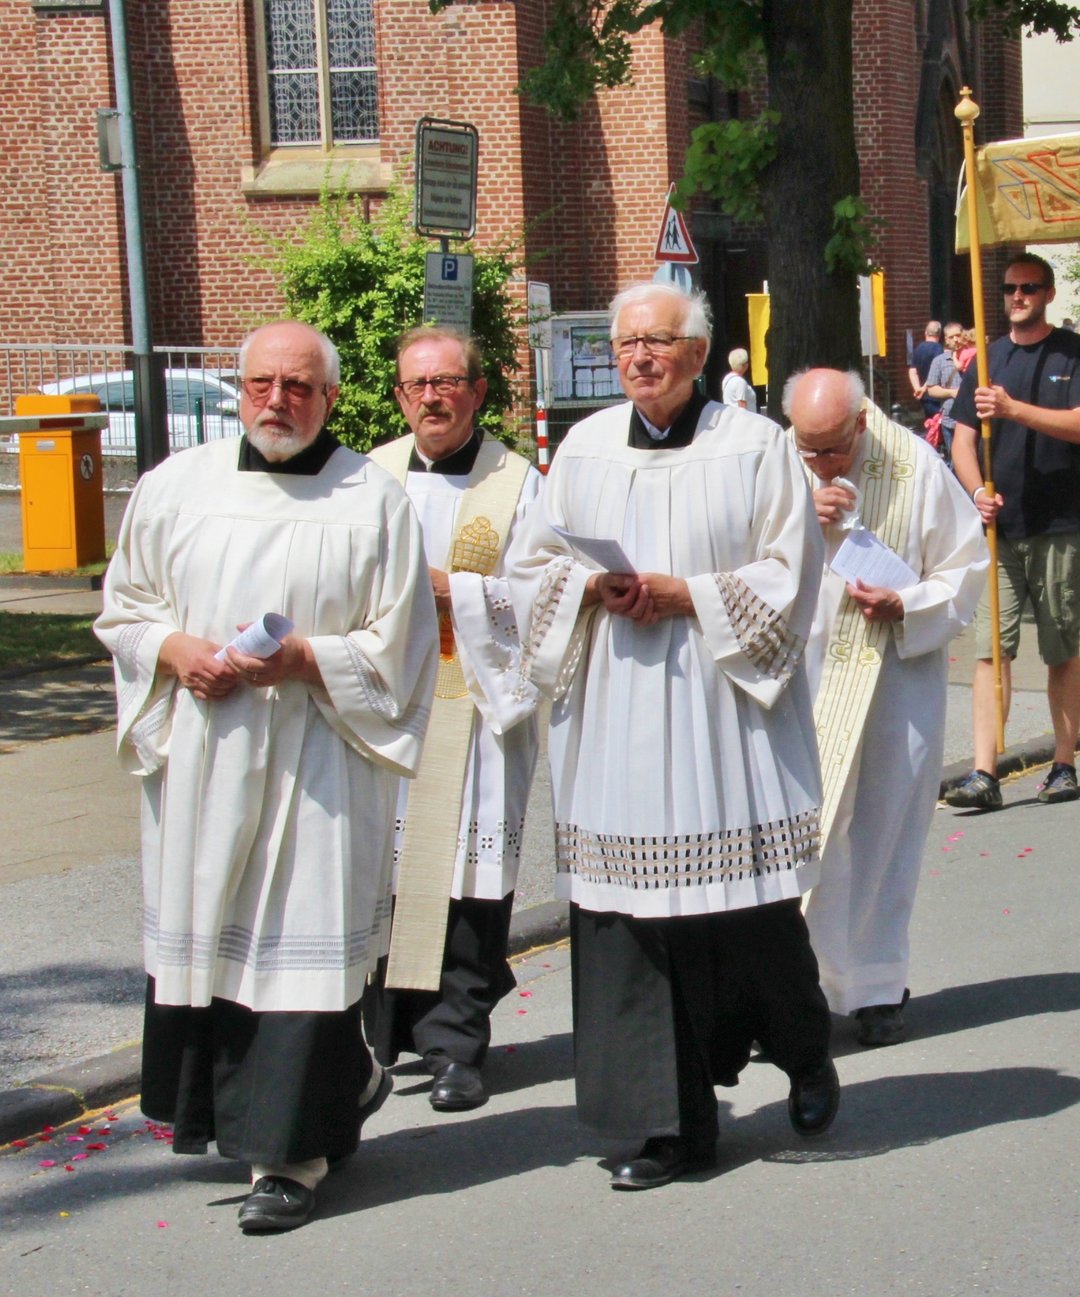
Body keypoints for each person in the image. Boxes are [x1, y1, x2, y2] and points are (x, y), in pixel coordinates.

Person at [95, 321, 436, 1233]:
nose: (276, 401)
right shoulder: (176, 487)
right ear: (237, 389)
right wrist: (174, 649)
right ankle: (254, 1110)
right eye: (259, 384)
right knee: (218, 940)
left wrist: (306, 660)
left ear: (330, 397)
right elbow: (122, 609)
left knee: (300, 948)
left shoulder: (371, 497)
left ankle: (291, 1155)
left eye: (298, 386)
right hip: (205, 758)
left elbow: (399, 648)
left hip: (319, 763)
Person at [504, 281, 838, 1190]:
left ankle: (805, 1052)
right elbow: (534, 568)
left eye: (657, 342)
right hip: (616, 712)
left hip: (720, 706)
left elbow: (791, 575)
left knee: (751, 914)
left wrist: (686, 592)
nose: (640, 358)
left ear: (697, 354)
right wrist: (590, 588)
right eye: (626, 345)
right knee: (633, 926)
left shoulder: (756, 447)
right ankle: (668, 1127)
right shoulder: (582, 450)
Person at [360, 328, 543, 1117]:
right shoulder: (369, 475)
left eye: (447, 382)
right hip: (389, 703)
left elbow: (544, 594)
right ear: (400, 396)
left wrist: (454, 593)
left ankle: (457, 1043)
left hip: (476, 700)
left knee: (467, 880)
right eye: (416, 385)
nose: (431, 397)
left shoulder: (520, 483)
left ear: (475, 390)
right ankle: (381, 1034)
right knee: (388, 875)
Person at [794, 370, 986, 1048]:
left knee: (886, 824)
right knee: (806, 829)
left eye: (834, 448)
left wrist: (907, 603)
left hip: (896, 671)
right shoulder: (781, 468)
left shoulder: (915, 466)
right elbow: (741, 562)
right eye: (808, 449)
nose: (823, 463)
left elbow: (965, 567)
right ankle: (800, 985)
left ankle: (875, 984)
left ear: (861, 424)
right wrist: (799, 520)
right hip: (806, 675)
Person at [945, 253, 1080, 809]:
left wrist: (1015, 409)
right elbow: (962, 439)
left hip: (1059, 521)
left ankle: (1063, 764)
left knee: (1060, 645)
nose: (1018, 297)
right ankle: (985, 772)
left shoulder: (1076, 353)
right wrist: (975, 492)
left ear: (1049, 293)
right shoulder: (987, 360)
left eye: (1030, 288)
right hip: (1000, 527)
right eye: (1011, 288)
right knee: (992, 649)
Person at [909, 319, 944, 417]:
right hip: (936, 396)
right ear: (939, 334)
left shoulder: (918, 348)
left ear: (925, 333)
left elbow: (912, 371)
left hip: (924, 397)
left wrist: (917, 388)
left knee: (929, 423)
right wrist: (924, 389)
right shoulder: (939, 349)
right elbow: (935, 373)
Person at [722, 347, 758, 413]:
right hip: (746, 420)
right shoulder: (740, 382)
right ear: (744, 365)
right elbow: (742, 406)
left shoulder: (726, 379)